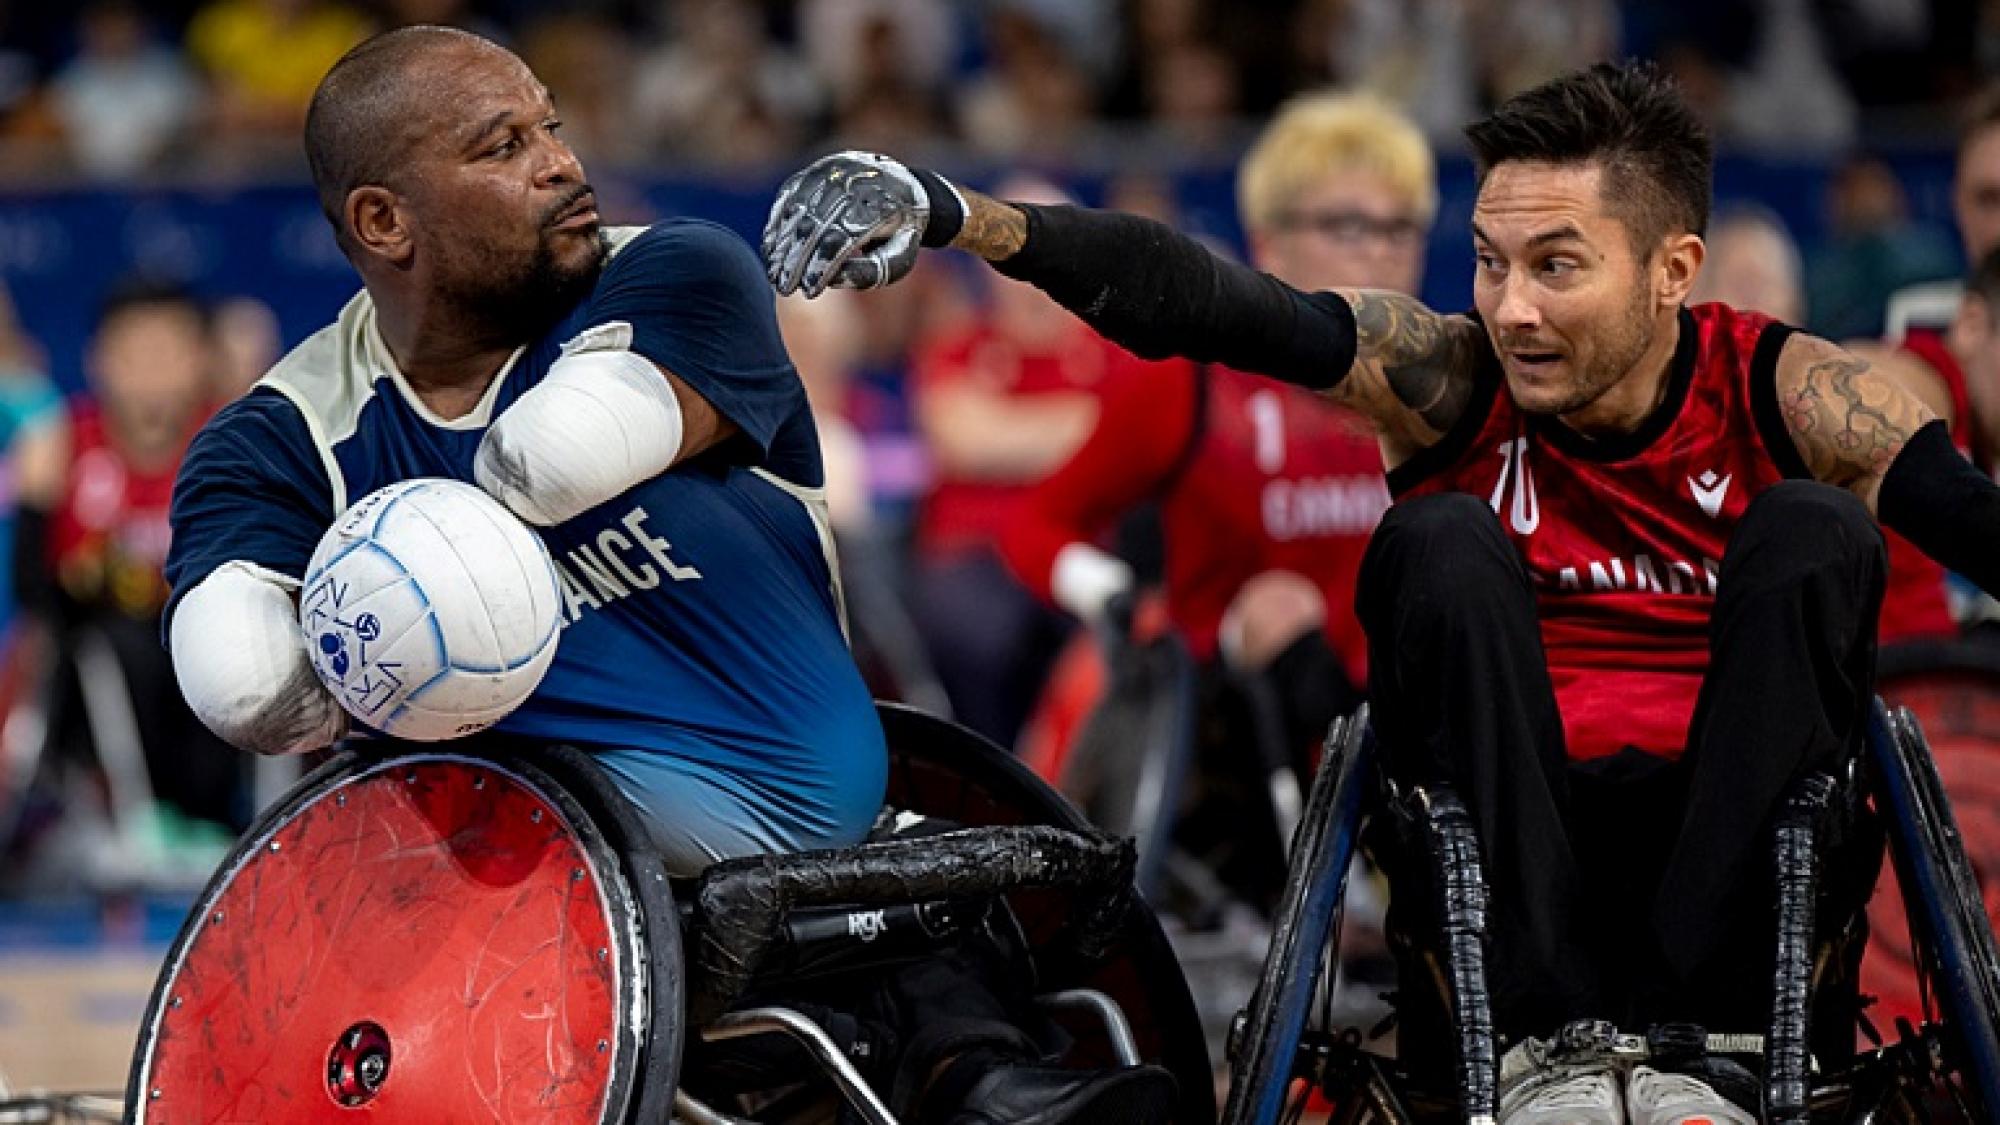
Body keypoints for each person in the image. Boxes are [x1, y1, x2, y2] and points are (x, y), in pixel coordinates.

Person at [765, 61, 2000, 1125]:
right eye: (1488, 261)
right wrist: (954, 213)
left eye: (1556, 266)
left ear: (1672, 268)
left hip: (1741, 892)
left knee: (1814, 530)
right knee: (1442, 542)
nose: (1510, 307)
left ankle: (1711, 1048)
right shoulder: (1449, 377)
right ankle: (1549, 1049)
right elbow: (1209, 301)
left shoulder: (1793, 394)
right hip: (1502, 882)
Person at [163, 26, 1172, 1124]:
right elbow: (244, 686)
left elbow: (546, 462)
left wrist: (385, 572)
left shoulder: (682, 270)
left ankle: (967, 1066)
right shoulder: (277, 436)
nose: (560, 161)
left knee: (906, 923)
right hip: (489, 908)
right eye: (503, 145)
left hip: (782, 852)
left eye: (551, 124)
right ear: (382, 221)